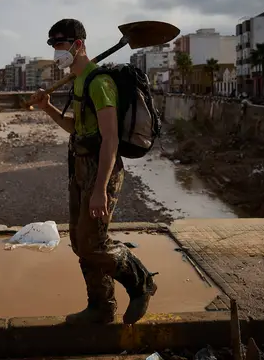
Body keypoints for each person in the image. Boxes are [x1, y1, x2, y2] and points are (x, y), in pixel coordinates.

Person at [30, 18, 157, 325]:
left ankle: (141, 283)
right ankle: (101, 307)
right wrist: (47, 107)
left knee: (93, 243)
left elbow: (110, 137)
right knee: (79, 240)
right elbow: (76, 128)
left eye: (61, 44)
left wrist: (100, 187)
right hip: (80, 166)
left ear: (79, 45)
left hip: (102, 168)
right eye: (53, 45)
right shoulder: (79, 82)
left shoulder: (99, 83)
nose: (57, 50)